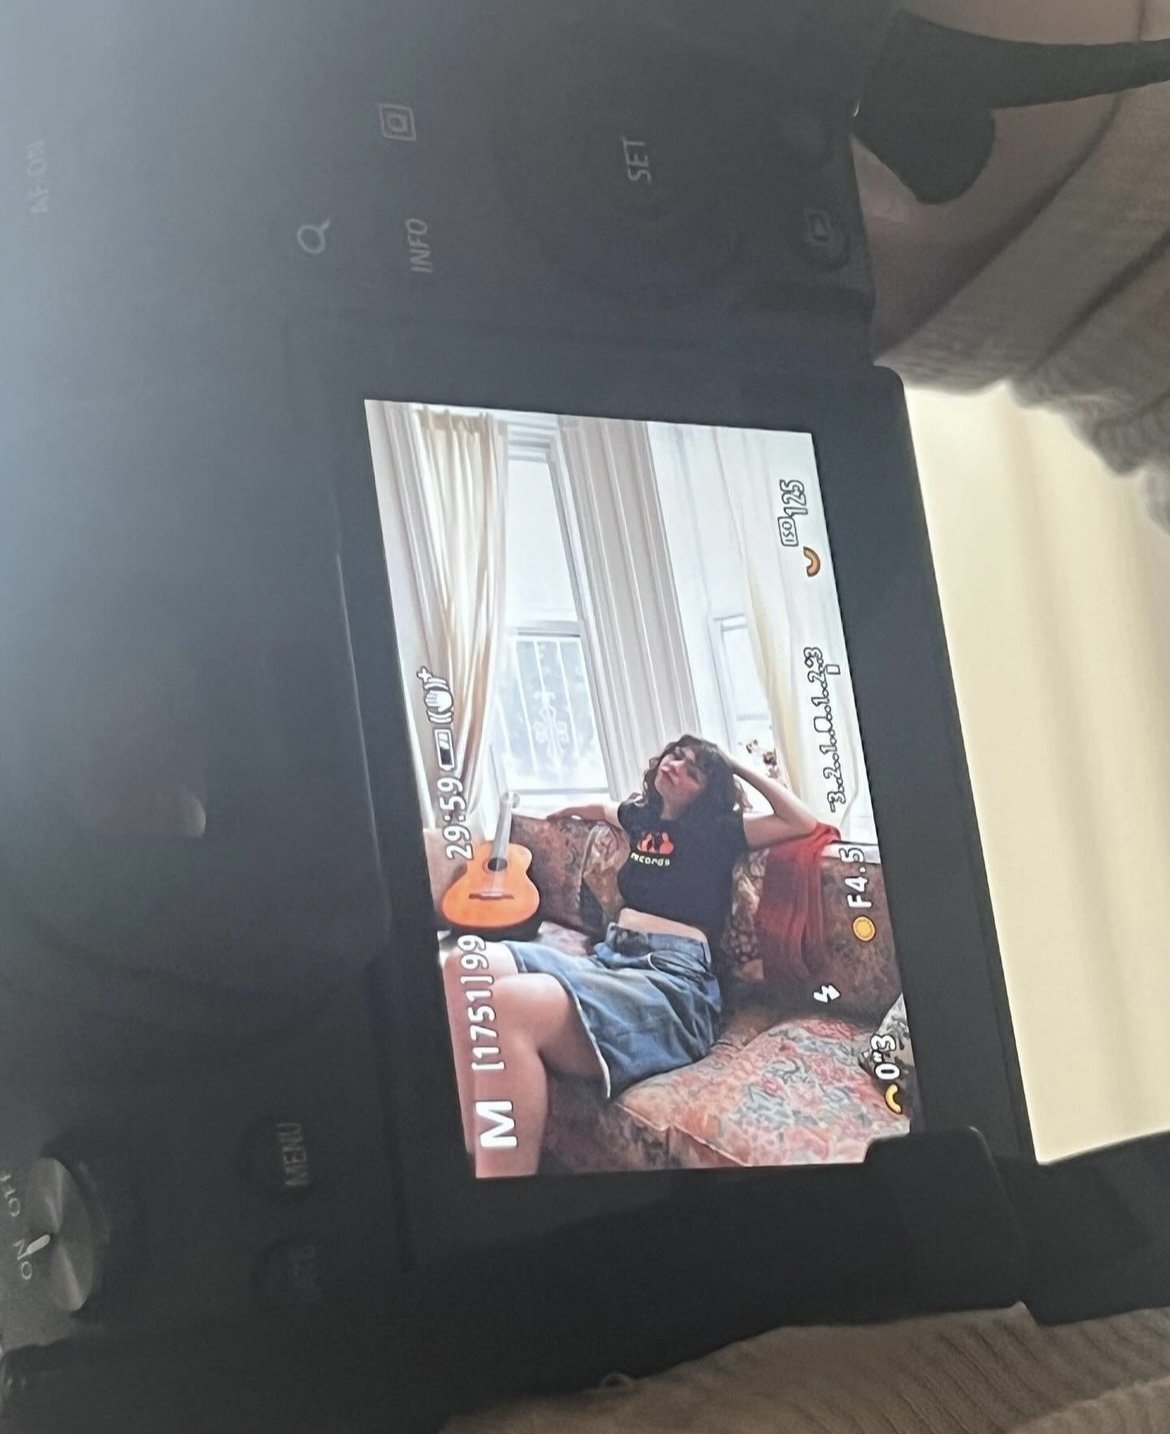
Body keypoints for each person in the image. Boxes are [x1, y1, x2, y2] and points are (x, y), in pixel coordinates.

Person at [445, 3, 1170, 1429]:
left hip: (667, 995)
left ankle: (486, 1267)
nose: (657, 769)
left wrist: (726, 761)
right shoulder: (632, 822)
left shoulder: (712, 813)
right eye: (656, 761)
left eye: (672, 761)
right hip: (615, 969)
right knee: (491, 980)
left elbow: (811, 823)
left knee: (502, 1004)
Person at [440, 737, 820, 1178]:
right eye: (676, 754)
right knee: (464, 967)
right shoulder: (641, 818)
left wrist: (733, 765)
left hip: (670, 982)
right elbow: (605, 809)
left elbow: (801, 820)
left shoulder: (719, 829)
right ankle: (476, 1154)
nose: (677, 766)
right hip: (612, 957)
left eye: (694, 771)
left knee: (506, 1007)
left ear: (707, 792)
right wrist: (568, 813)